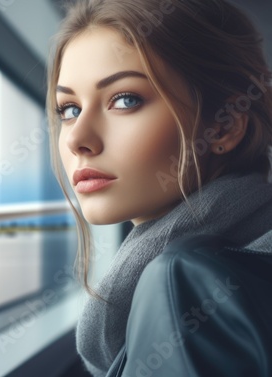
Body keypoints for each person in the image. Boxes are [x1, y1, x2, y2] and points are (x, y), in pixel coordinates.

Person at [46, 0, 272, 375]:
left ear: (225, 126)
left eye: (124, 100)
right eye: (69, 109)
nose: (77, 139)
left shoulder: (185, 283)